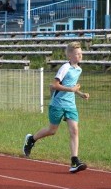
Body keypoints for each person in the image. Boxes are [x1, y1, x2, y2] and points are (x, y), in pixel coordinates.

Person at [22, 41, 90, 172]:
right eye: (77, 54)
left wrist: (81, 94)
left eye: (81, 53)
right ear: (70, 56)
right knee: (52, 130)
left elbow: (72, 86)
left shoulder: (79, 69)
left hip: (70, 105)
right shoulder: (65, 67)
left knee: (74, 130)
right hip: (57, 104)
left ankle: (74, 161)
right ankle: (31, 139)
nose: (80, 56)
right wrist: (71, 89)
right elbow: (54, 85)